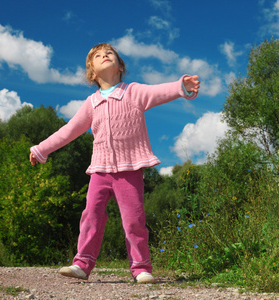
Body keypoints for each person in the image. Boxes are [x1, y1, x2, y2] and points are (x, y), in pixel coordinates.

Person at [29, 43, 200, 283]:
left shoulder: (133, 92)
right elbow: (68, 131)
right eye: (98, 56)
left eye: (110, 54)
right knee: (91, 215)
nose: (105, 56)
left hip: (129, 169)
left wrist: (181, 86)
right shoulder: (91, 103)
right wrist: (41, 149)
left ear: (120, 66)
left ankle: (141, 267)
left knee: (133, 220)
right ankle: (82, 263)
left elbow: (159, 92)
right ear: (92, 73)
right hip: (100, 171)